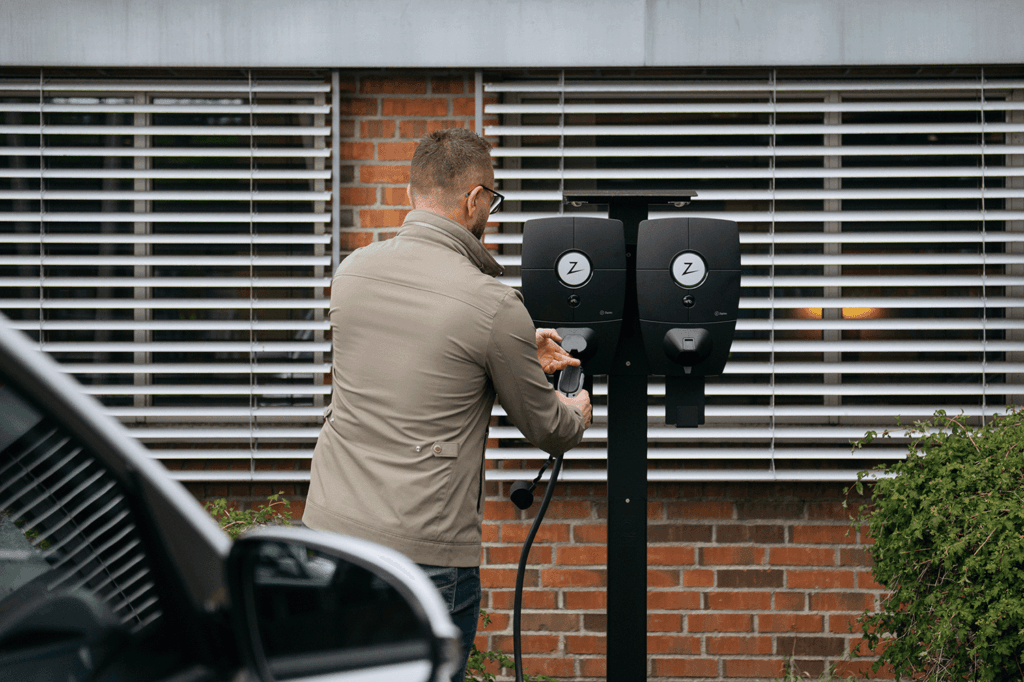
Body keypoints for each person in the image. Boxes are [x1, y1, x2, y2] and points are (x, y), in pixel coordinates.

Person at [302, 127, 592, 682]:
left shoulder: (353, 273)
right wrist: (579, 405)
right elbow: (550, 430)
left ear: (414, 194)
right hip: (423, 558)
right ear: (475, 199)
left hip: (329, 536)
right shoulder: (493, 305)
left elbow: (410, 359)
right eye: (494, 200)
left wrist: (513, 347)